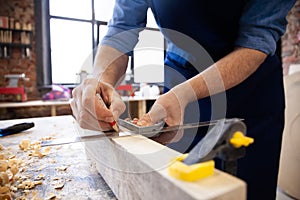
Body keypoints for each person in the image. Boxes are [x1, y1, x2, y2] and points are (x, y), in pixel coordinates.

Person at [71, 0, 296, 199]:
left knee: (247, 188)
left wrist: (185, 93)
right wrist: (100, 81)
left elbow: (255, 41)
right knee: (178, 185)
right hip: (181, 80)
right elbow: (122, 28)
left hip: (251, 90)